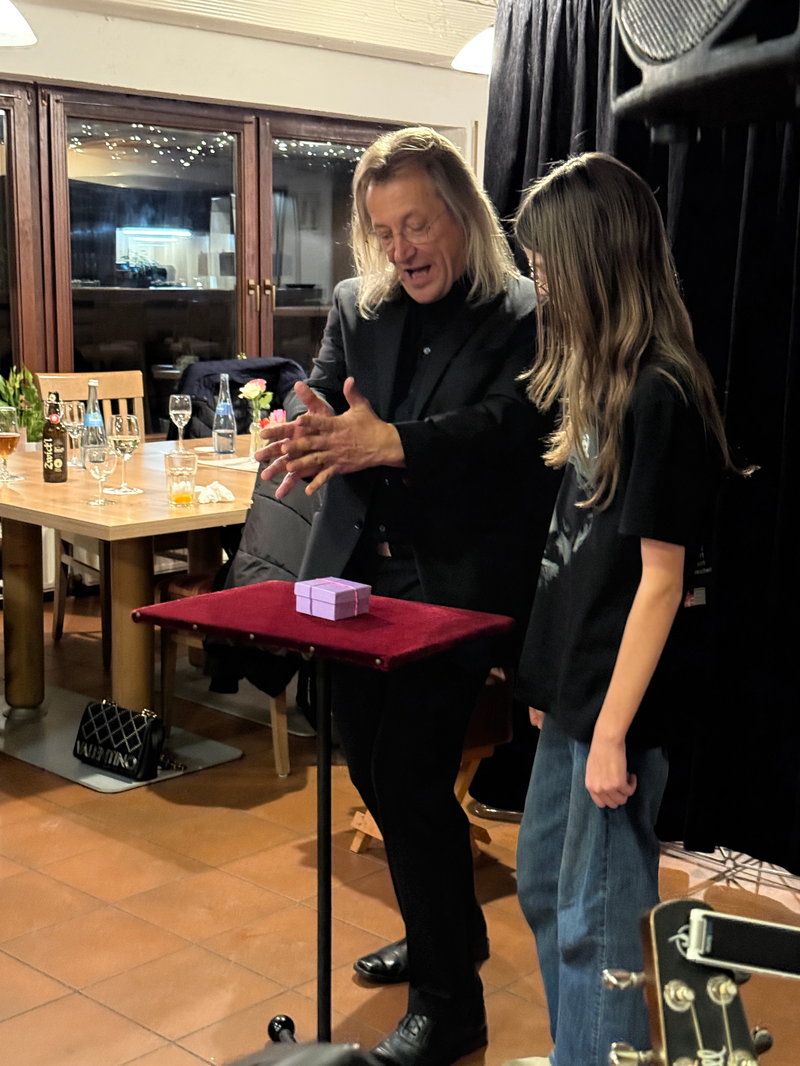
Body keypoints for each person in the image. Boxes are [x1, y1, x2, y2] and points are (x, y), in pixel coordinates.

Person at [257, 127, 557, 1066]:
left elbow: (513, 429)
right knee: (370, 767)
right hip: (353, 575)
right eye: (384, 232)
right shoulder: (359, 303)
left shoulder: (523, 314)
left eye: (418, 225)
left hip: (455, 587)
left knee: (413, 781)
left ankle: (451, 1008)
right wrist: (301, 420)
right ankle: (448, 933)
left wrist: (393, 442)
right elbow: (317, 391)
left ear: (462, 214)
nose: (402, 250)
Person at [509, 152, 735, 1066]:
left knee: (596, 922)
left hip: (620, 712)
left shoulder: (660, 393)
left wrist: (609, 730)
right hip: (578, 696)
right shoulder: (601, 383)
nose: (541, 285)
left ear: (593, 260)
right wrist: (547, 684)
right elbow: (577, 561)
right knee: (543, 887)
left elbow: (660, 584)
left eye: (546, 265)